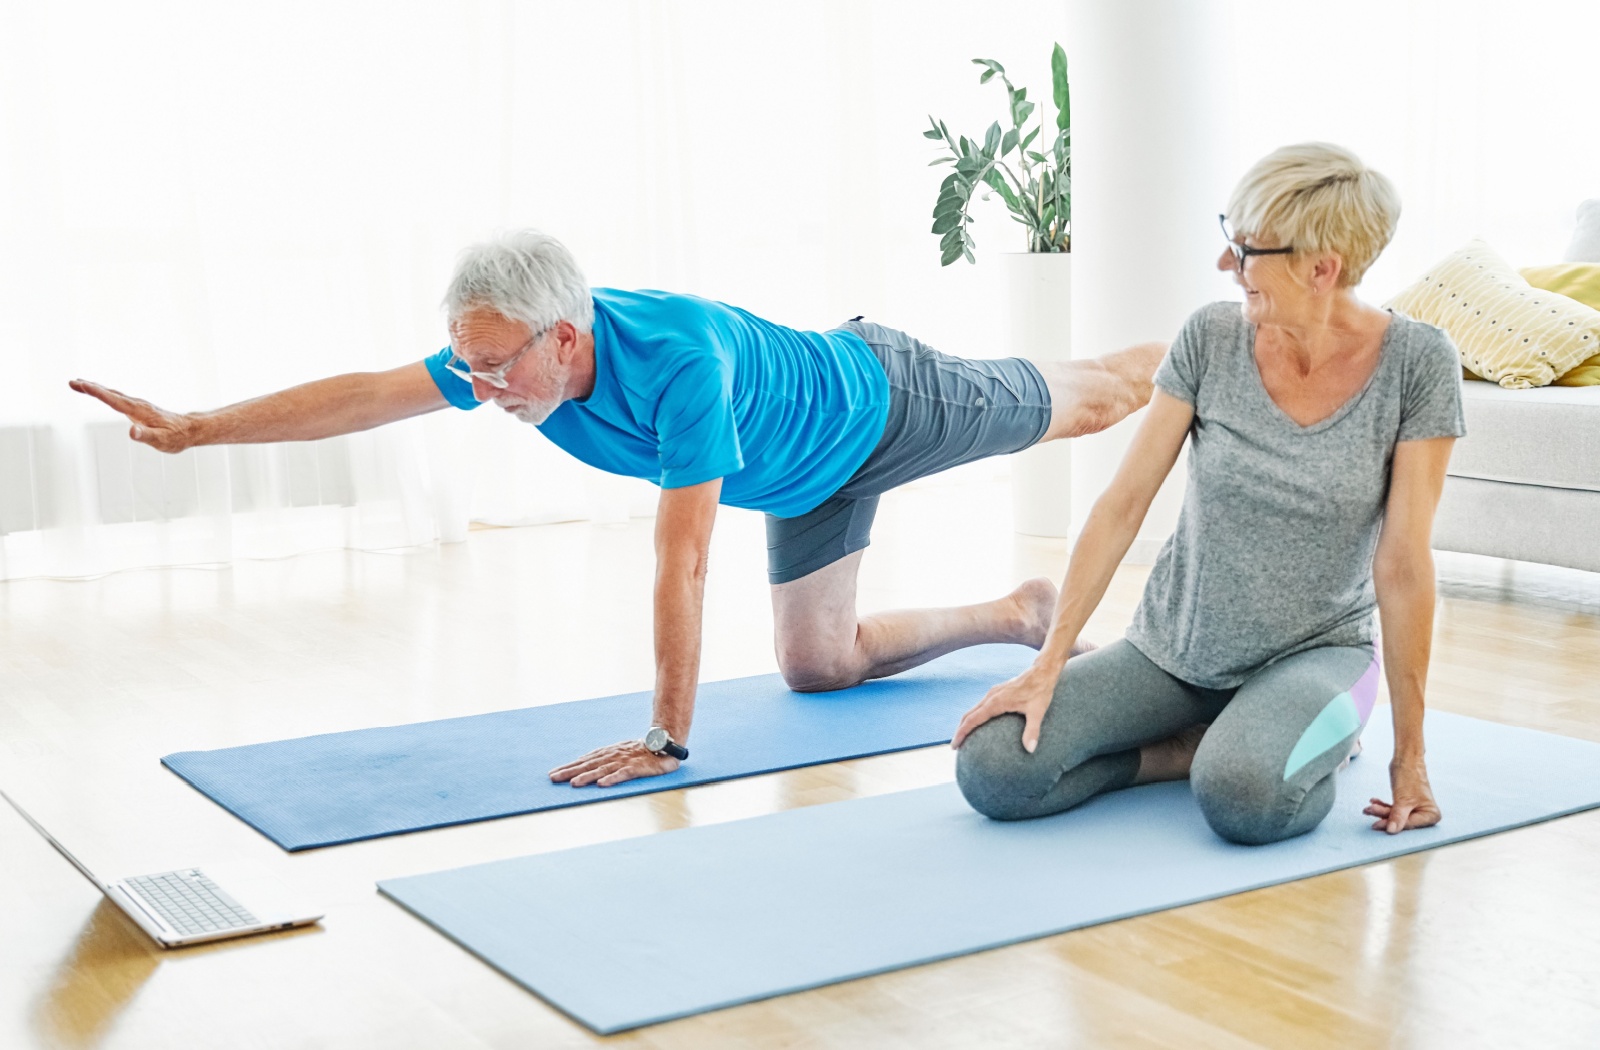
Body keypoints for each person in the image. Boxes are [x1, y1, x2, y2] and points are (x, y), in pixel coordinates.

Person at [71, 231, 1164, 787]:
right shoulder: (507, 355)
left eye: (496, 368)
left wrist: (666, 735)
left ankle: (1208, 350)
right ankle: (1020, 610)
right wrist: (198, 427)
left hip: (883, 403)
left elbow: (682, 565)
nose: (480, 389)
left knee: (1092, 402)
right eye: (470, 367)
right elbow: (365, 396)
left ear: (566, 337)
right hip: (803, 479)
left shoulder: (679, 362)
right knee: (818, 669)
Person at [951, 142, 1465, 843]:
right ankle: (1186, 750)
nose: (1228, 265)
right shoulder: (1211, 339)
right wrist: (1047, 666)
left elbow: (1404, 564)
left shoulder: (1418, 363)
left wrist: (1412, 761)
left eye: (1248, 250)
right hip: (1173, 652)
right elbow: (1121, 505)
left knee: (1244, 797)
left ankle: (1279, 742)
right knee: (996, 766)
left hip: (1317, 653)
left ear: (1322, 269)